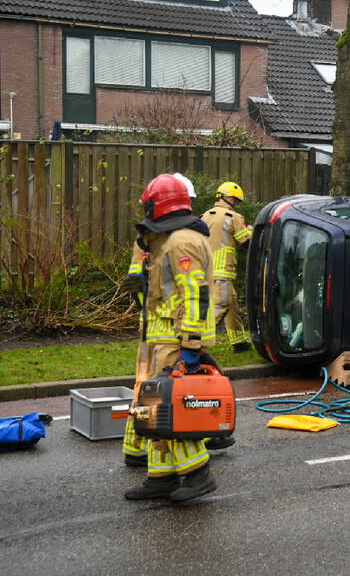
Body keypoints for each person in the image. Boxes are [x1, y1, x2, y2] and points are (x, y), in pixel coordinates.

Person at [123, 174, 218, 503]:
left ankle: (198, 473)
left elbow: (195, 296)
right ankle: (160, 478)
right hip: (161, 338)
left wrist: (191, 347)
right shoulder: (169, 239)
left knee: (171, 409)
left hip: (176, 341)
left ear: (157, 204)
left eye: (148, 203)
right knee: (152, 410)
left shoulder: (181, 242)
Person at [202, 182, 254, 353]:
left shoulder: (205, 216)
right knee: (220, 305)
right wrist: (251, 230)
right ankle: (193, 342)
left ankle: (239, 343)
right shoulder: (233, 217)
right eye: (236, 201)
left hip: (205, 270)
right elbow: (245, 240)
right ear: (230, 198)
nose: (236, 204)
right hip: (222, 271)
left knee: (231, 306)